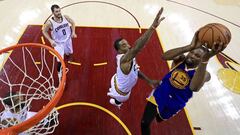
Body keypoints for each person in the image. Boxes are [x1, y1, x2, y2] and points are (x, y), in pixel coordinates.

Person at [140, 31, 225, 135]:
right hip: (160, 94)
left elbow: (194, 87)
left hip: (175, 103)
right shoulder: (181, 60)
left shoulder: (205, 74)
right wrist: (189, 47)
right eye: (192, 52)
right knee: (145, 123)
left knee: (159, 119)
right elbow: (164, 56)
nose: (192, 56)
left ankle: (160, 115)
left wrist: (205, 59)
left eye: (197, 56)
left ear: (202, 59)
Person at [107, 8, 165, 108]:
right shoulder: (124, 59)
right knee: (117, 101)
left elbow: (136, 70)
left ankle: (116, 91)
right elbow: (138, 47)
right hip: (120, 94)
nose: (128, 46)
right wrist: (152, 27)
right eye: (124, 45)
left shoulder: (129, 58)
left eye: (127, 43)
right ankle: (116, 102)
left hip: (120, 81)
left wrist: (149, 81)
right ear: (119, 51)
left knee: (125, 74)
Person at [42, 4, 77, 81]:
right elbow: (44, 31)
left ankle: (68, 56)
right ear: (53, 13)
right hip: (58, 43)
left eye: (59, 10)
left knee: (69, 52)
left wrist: (73, 32)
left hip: (67, 40)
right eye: (56, 11)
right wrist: (51, 40)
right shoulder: (50, 23)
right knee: (60, 60)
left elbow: (73, 23)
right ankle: (59, 74)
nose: (59, 12)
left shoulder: (65, 17)